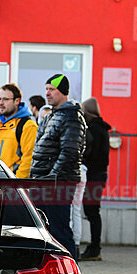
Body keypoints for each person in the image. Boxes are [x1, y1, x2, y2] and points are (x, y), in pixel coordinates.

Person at [30, 74, 86, 259]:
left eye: (52, 89)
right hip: (42, 181)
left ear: (63, 91)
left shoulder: (72, 117)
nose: (47, 93)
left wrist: (52, 176)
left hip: (58, 183)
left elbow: (70, 152)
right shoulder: (51, 116)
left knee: (60, 230)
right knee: (44, 231)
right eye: (46, 89)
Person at [80, 97, 111, 261]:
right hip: (99, 174)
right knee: (92, 211)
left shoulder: (93, 129)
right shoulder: (101, 129)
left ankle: (95, 248)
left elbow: (91, 153)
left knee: (91, 211)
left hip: (94, 175)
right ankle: (94, 246)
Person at [0, 83, 38, 177]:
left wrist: (16, 184)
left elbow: (29, 160)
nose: (1, 103)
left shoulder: (28, 126)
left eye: (5, 99)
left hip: (11, 184)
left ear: (17, 101)